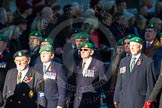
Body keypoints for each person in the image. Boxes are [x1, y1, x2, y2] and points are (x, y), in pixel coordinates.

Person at [113, 37, 156, 108]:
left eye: (134, 45)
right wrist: (116, 98)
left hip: (139, 101)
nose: (132, 48)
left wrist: (148, 102)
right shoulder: (123, 61)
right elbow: (119, 82)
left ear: (140, 47)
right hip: (124, 101)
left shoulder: (148, 62)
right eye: (131, 45)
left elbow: (150, 85)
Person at [69, 42, 108, 108]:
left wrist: (93, 87)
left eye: (85, 50)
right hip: (78, 100)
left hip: (91, 99)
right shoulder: (77, 64)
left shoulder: (99, 64)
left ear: (91, 52)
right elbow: (72, 81)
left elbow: (103, 81)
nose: (82, 51)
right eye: (81, 50)